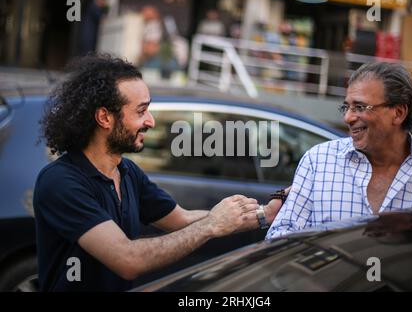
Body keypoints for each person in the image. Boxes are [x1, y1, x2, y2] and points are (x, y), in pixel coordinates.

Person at [34, 54, 283, 291]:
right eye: (141, 111)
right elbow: (128, 260)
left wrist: (264, 214)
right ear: (104, 117)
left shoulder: (127, 172)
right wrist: (211, 225)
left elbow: (181, 219)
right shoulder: (61, 182)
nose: (151, 121)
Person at [267, 61, 412, 239]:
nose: (348, 117)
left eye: (360, 107)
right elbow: (280, 237)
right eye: (346, 107)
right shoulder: (319, 160)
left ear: (398, 113)